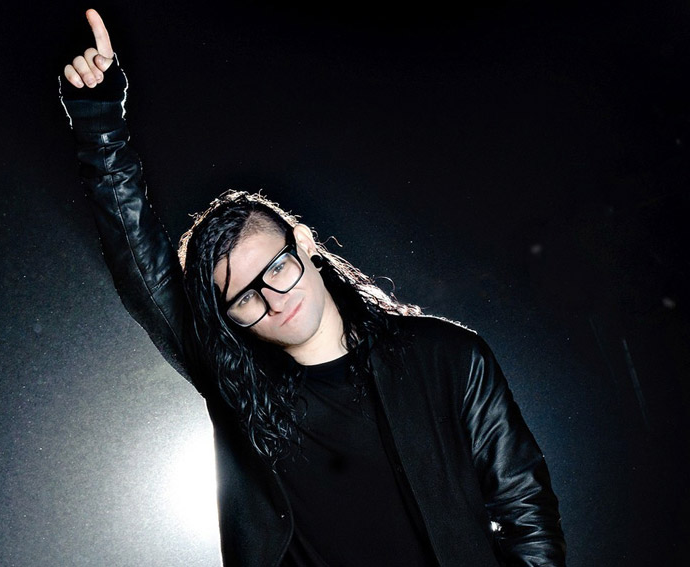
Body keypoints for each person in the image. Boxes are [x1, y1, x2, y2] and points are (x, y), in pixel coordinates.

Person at [60, 9, 566, 567]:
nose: (273, 300)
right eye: (245, 297)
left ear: (303, 244)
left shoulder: (448, 357)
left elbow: (526, 514)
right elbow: (144, 272)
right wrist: (98, 120)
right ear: (229, 317)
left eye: (277, 268)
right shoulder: (238, 387)